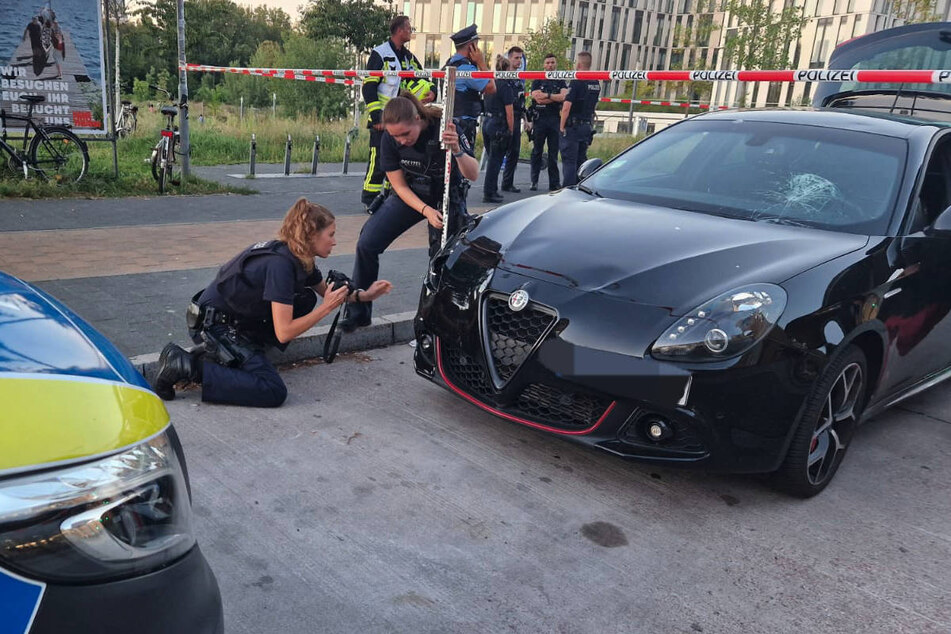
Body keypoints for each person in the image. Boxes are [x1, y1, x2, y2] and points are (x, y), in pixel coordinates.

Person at [152, 199, 392, 407]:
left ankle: (240, 354)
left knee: (305, 298)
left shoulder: (297, 256)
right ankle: (186, 365)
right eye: (331, 234)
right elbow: (285, 331)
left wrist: (365, 295)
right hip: (213, 326)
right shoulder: (281, 266)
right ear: (311, 236)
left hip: (229, 319)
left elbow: (324, 291)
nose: (334, 241)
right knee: (272, 390)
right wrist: (327, 308)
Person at [341, 93, 479, 332]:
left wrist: (456, 149)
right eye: (395, 136)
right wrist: (425, 210)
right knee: (367, 243)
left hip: (446, 195)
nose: (401, 141)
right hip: (413, 194)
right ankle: (358, 312)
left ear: (418, 118)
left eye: (406, 134)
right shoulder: (389, 139)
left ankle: (442, 322)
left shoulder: (446, 126)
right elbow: (399, 186)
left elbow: (473, 173)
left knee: (443, 260)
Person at [361, 16, 435, 212]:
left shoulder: (408, 57)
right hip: (383, 119)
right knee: (377, 159)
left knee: (395, 160)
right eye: (409, 28)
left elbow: (423, 75)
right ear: (399, 30)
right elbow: (368, 88)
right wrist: (377, 117)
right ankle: (370, 197)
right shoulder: (380, 54)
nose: (411, 32)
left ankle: (388, 195)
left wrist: (432, 89)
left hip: (401, 120)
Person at [444, 24, 496, 147]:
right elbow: (492, 87)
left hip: (452, 122)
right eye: (476, 45)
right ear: (471, 46)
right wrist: (482, 63)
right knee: (464, 162)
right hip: (464, 125)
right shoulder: (466, 69)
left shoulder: (451, 64)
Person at [560, 51, 601, 187]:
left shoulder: (576, 82)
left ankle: (568, 191)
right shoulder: (595, 82)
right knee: (582, 161)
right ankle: (582, 188)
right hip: (586, 126)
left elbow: (566, 106)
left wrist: (561, 126)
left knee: (570, 162)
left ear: (578, 64)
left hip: (573, 127)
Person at [529, 53, 568, 191]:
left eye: (552, 62)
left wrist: (547, 95)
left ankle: (554, 183)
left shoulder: (560, 80)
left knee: (553, 154)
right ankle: (534, 181)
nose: (550, 65)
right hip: (540, 119)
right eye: (548, 63)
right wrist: (553, 98)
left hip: (554, 120)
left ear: (555, 64)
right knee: (537, 152)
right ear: (544, 65)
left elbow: (564, 96)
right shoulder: (538, 79)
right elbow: (537, 99)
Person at [482, 56, 515, 204]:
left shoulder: (491, 83)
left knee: (491, 159)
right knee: (495, 161)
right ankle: (489, 192)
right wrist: (511, 130)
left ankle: (492, 189)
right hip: (498, 124)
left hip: (487, 122)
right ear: (507, 69)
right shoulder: (505, 87)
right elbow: (509, 111)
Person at [500, 46, 525, 194]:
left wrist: (526, 119)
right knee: (499, 154)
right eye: (516, 58)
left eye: (520, 58)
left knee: (514, 152)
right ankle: (491, 188)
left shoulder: (519, 79)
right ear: (509, 58)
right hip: (505, 118)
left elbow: (522, 102)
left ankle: (507, 183)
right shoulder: (504, 78)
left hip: (517, 117)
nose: (518, 61)